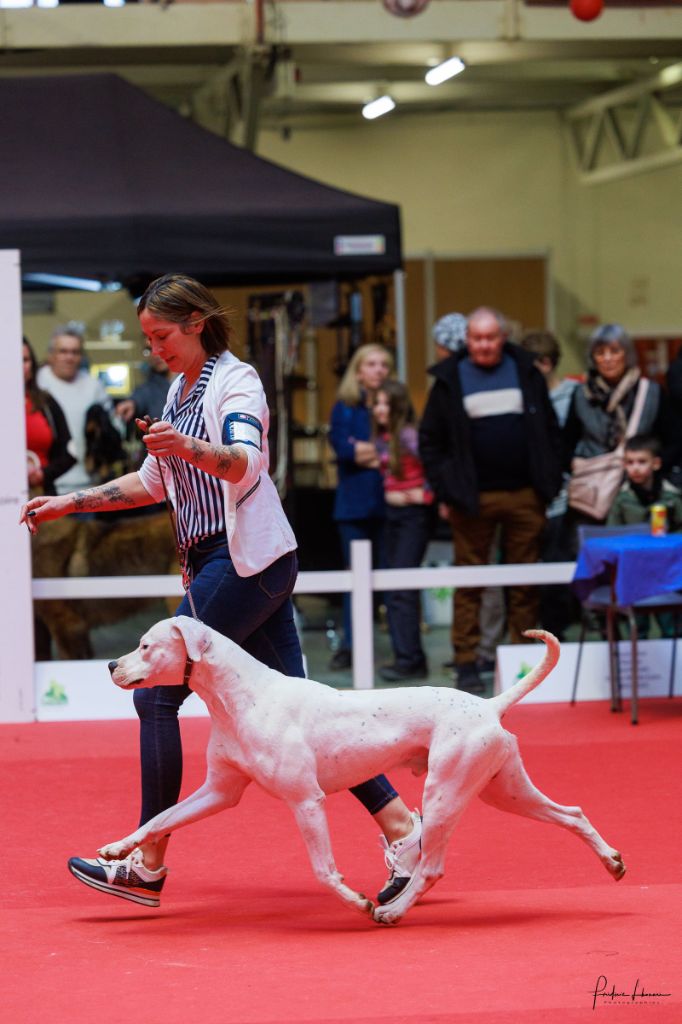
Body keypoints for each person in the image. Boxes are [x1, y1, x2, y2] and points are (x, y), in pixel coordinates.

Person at [21, 274, 421, 908]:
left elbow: (244, 461)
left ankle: (146, 865)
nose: (153, 349)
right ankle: (403, 828)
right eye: (147, 339)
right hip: (243, 561)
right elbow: (154, 480)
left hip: (243, 562)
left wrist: (189, 446)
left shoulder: (238, 381)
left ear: (196, 324)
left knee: (155, 697)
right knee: (312, 719)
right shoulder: (180, 388)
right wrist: (70, 502)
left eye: (161, 336)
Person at [419, 307, 563, 694]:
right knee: (470, 583)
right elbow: (430, 441)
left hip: (525, 495)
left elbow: (549, 429)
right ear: (467, 340)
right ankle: (466, 663)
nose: (484, 345)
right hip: (471, 500)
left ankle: (525, 661)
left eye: (491, 337)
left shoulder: (526, 371)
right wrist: (448, 489)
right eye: (476, 338)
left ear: (503, 336)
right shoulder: (449, 380)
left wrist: (549, 481)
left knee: (525, 582)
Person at [327, 343, 392, 670]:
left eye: (384, 364)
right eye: (371, 364)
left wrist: (371, 450)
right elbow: (344, 450)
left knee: (391, 582)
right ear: (358, 370)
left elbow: (402, 450)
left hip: (390, 505)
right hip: (352, 507)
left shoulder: (394, 406)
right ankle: (351, 647)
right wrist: (380, 452)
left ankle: (400, 648)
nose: (379, 370)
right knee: (355, 581)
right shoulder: (344, 408)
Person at [563, 323, 667, 518]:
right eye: (600, 353)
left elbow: (671, 439)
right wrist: (575, 465)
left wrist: (652, 471)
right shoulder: (581, 394)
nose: (608, 359)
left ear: (627, 354)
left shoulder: (650, 392)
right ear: (592, 358)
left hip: (640, 492)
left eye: (615, 351)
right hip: (591, 493)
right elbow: (567, 440)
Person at [372, 379, 433, 681]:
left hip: (412, 517)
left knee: (402, 590)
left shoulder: (409, 435)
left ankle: (410, 659)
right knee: (395, 589)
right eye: (377, 403)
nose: (378, 409)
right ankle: (406, 656)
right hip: (393, 515)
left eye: (384, 403)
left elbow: (434, 466)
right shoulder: (385, 437)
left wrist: (426, 495)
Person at [520, 329, 579, 639]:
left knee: (559, 561)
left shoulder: (573, 393)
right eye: (533, 361)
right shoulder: (520, 394)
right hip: (528, 495)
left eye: (544, 361)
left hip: (565, 494)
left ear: (552, 361)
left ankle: (560, 629)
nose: (539, 367)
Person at [607, 433, 682, 638]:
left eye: (641, 462)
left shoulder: (671, 496)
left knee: (671, 627)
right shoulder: (622, 498)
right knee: (638, 629)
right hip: (633, 572)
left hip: (666, 572)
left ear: (656, 463)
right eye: (629, 462)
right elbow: (611, 534)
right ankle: (638, 667)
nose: (635, 468)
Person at [36, 323, 118, 495]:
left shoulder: (94, 386)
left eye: (75, 352)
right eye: (63, 351)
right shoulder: (37, 384)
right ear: (51, 355)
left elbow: (112, 427)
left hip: (88, 486)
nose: (69, 357)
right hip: (47, 484)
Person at [23, 337, 75, 497]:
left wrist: (42, 474)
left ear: (32, 365)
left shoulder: (46, 402)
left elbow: (70, 454)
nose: (19, 366)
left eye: (25, 360)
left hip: (42, 494)